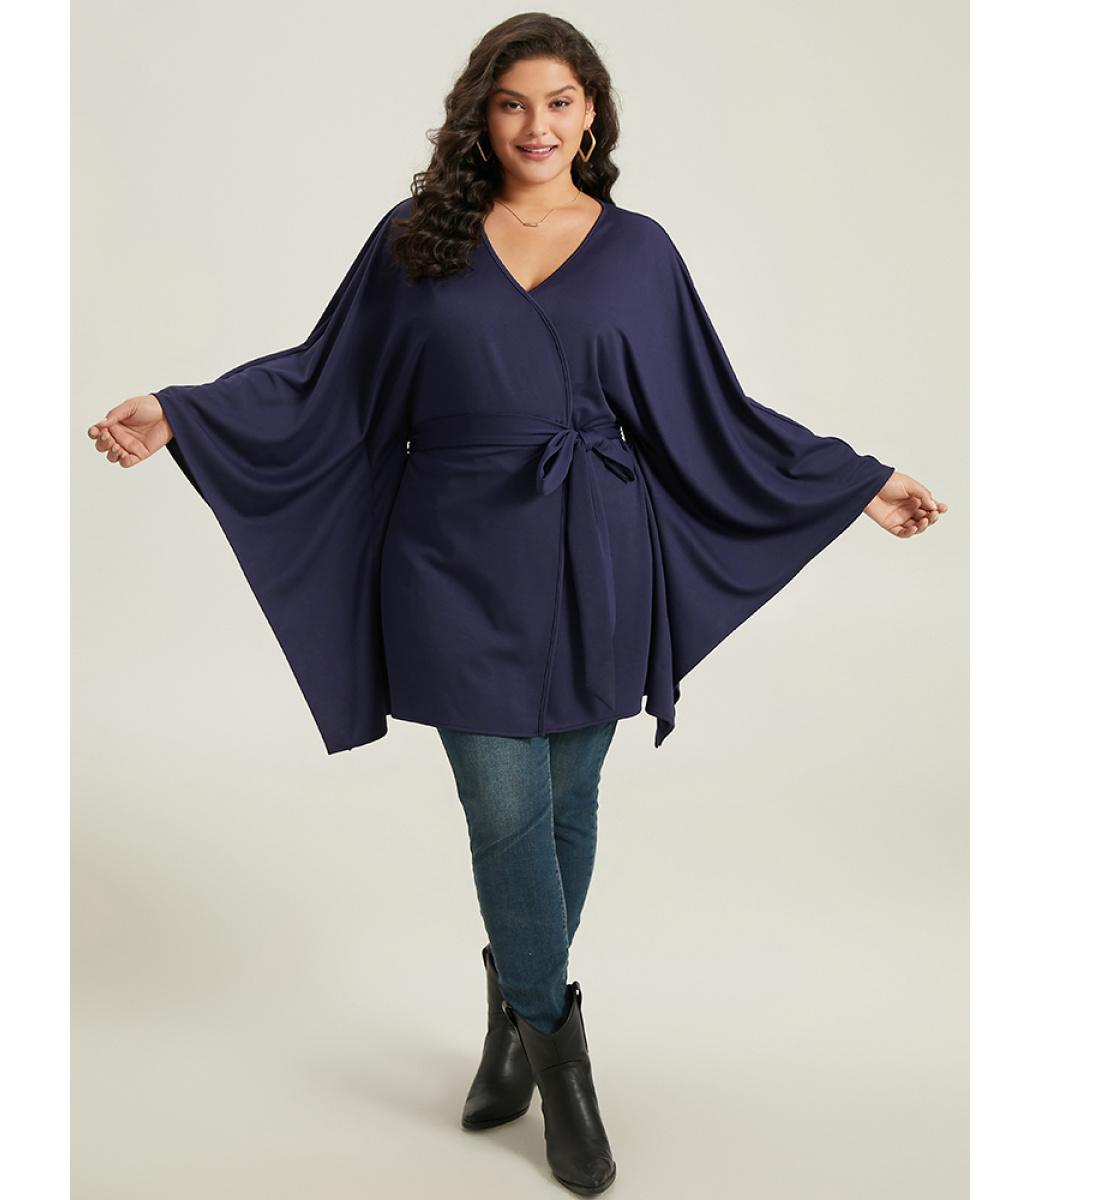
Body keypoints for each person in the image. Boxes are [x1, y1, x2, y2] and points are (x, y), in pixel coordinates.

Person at [87, 14, 946, 1195]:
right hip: (450, 557)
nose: (536, 127)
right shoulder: (417, 239)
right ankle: (563, 1061)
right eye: (511, 104)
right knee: (505, 808)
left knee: (569, 799)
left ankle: (508, 1019)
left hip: (597, 554)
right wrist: (179, 410)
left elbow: (712, 411)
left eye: (559, 102)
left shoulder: (640, 252)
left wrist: (856, 482)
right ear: (479, 117)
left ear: (592, 115)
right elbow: (323, 379)